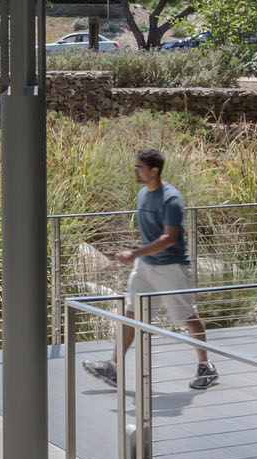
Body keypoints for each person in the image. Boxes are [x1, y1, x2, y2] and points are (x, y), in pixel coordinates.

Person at [84, 147, 217, 392]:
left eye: (139, 167)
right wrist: (139, 257)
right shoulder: (144, 194)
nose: (135, 171)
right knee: (131, 314)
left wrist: (134, 254)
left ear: (153, 170)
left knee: (187, 316)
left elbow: (169, 238)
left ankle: (206, 365)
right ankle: (113, 367)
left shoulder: (171, 199)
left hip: (172, 268)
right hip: (146, 266)